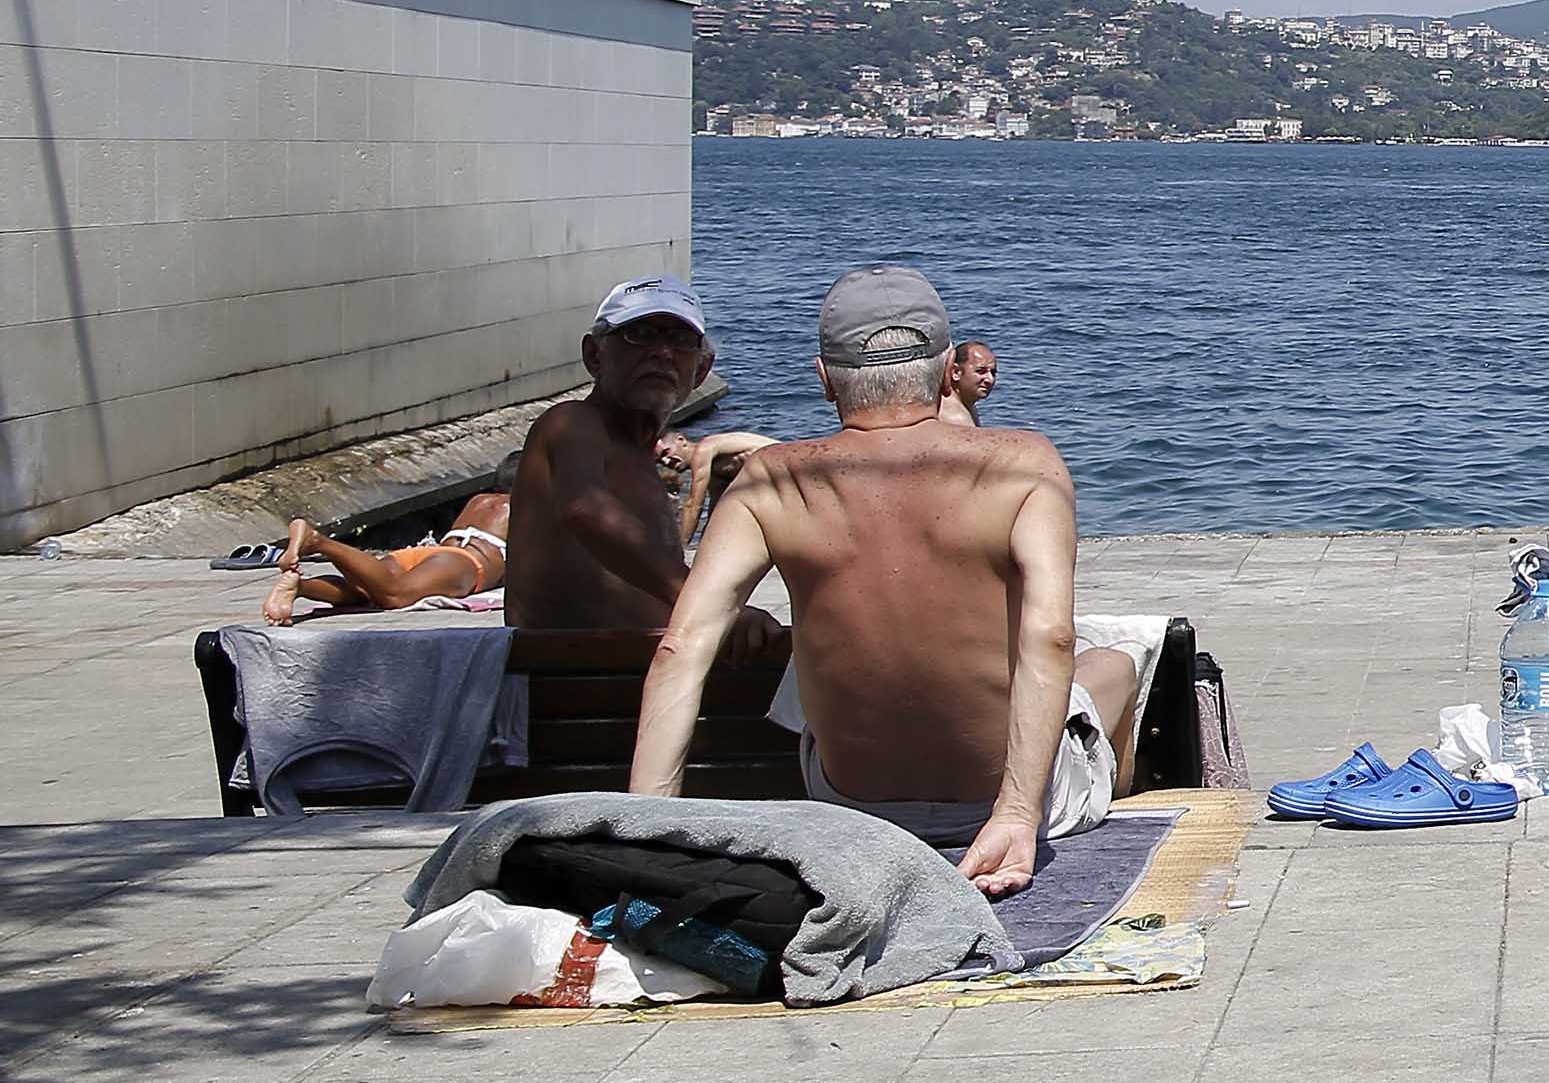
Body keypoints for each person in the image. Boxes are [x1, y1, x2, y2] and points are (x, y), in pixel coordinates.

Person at [632, 265, 1138, 897]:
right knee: (1114, 666)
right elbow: (1050, 640)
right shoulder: (1022, 464)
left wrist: (646, 832)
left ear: (823, 378)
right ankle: (1109, 820)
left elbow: (681, 651)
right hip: (1000, 810)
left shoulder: (769, 480)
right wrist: (1015, 815)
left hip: (854, 804)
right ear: (947, 367)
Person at [508, 276, 765, 638]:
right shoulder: (572, 422)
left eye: (679, 340)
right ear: (594, 356)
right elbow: (585, 510)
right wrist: (708, 604)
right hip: (574, 679)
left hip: (633, 672)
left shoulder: (641, 459)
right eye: (639, 335)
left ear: (702, 370)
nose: (662, 353)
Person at [265, 492, 510, 624]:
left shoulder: (479, 500)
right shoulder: (520, 506)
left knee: (368, 591)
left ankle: (302, 586)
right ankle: (319, 542)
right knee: (396, 596)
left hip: (427, 553)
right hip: (465, 563)